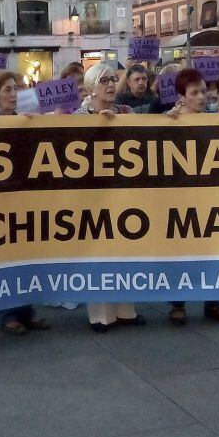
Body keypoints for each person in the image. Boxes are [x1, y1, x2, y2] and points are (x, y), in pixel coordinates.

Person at [165, 69, 219, 326]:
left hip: (211, 195)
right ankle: (178, 303)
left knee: (213, 249)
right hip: (181, 197)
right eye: (194, 92)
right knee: (180, 251)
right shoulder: (170, 121)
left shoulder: (214, 119)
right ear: (181, 97)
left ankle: (213, 302)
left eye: (204, 91)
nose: (201, 97)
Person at [71, 64, 142, 331]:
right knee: (98, 251)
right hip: (93, 193)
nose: (111, 84)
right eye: (103, 81)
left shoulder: (127, 112)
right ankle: (101, 315)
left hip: (123, 190)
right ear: (90, 88)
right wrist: (97, 125)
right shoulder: (79, 116)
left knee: (125, 250)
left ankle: (126, 310)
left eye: (113, 79)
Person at [0, 70, 51, 334]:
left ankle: (27, 311)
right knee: (5, 257)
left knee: (26, 255)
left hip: (25, 195)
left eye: (16, 89)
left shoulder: (26, 117)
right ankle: (7, 314)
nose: (13, 94)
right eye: (7, 90)